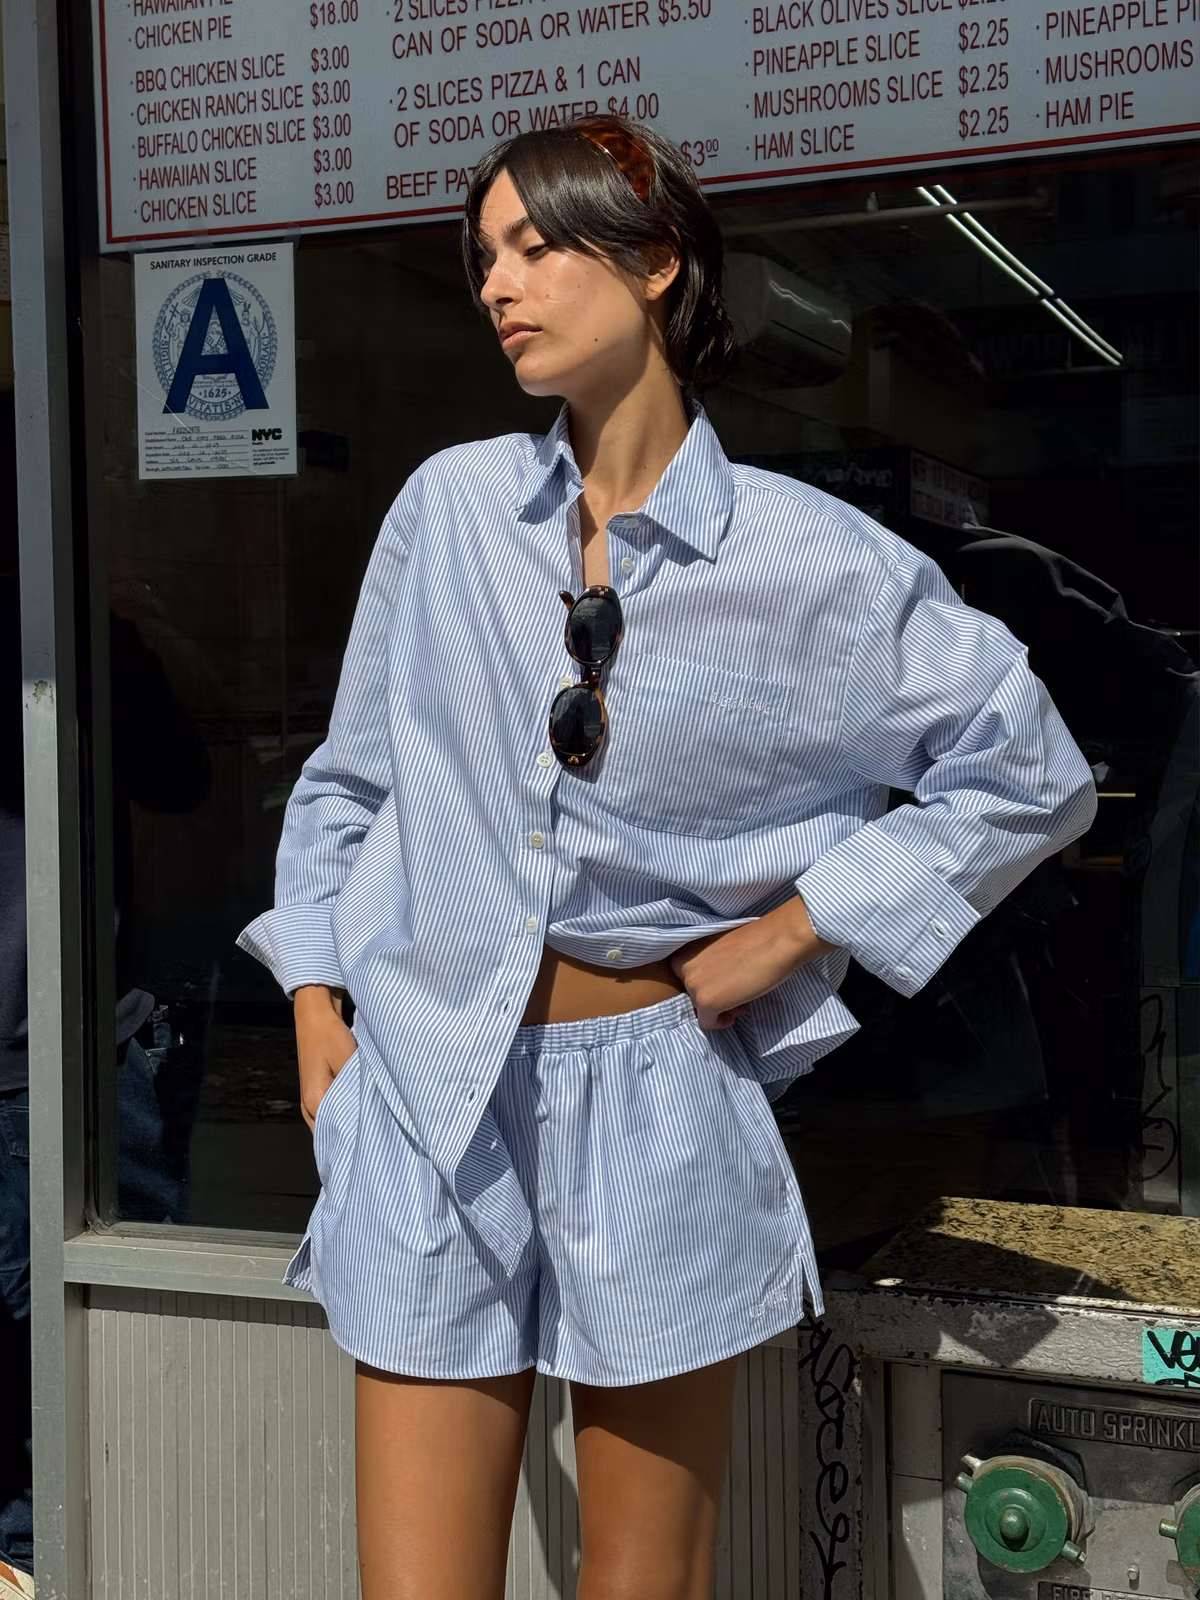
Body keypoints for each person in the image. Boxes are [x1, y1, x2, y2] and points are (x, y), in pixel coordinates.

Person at [237, 117, 1098, 1599]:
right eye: (484, 255)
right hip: (432, 1078)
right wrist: (318, 1006)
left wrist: (797, 930)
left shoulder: (810, 562)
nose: (500, 283)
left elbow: (1033, 772)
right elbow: (350, 784)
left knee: (646, 1585)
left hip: (650, 1094)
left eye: (538, 245)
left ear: (653, 266)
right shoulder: (446, 513)